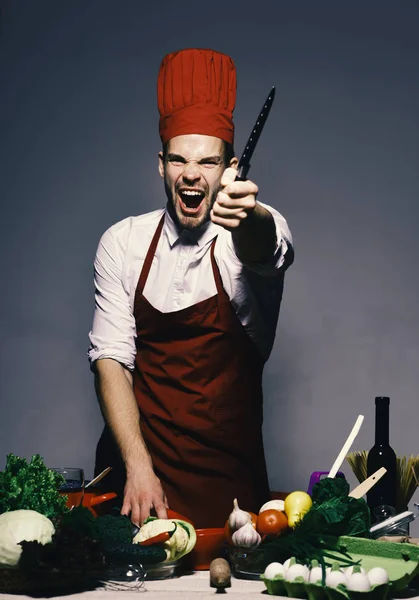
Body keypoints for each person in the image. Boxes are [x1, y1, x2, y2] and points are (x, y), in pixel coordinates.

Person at [88, 48, 294, 528]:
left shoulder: (250, 234)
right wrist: (138, 468)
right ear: (161, 165)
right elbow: (111, 360)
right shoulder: (123, 242)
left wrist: (250, 215)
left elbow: (267, 247)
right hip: (137, 493)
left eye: (208, 161)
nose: (192, 174)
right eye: (178, 160)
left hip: (231, 505)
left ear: (231, 168)